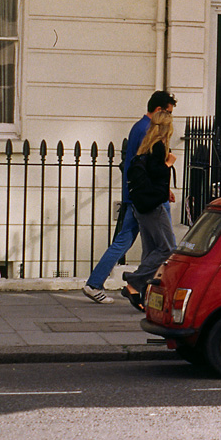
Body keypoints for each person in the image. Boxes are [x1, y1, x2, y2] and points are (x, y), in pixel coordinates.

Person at [82, 90, 177, 304]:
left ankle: (135, 287)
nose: (170, 119)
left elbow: (137, 165)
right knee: (161, 246)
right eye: (168, 113)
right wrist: (165, 174)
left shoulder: (138, 126)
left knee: (144, 244)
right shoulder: (149, 130)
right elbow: (151, 166)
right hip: (147, 199)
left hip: (138, 195)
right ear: (159, 110)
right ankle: (125, 284)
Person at [121, 111, 178, 309]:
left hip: (141, 205)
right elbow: (157, 172)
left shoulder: (146, 145)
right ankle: (134, 283)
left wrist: (166, 189)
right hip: (153, 207)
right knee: (168, 249)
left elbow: (150, 175)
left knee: (151, 250)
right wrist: (169, 164)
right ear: (166, 128)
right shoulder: (158, 147)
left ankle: (144, 292)